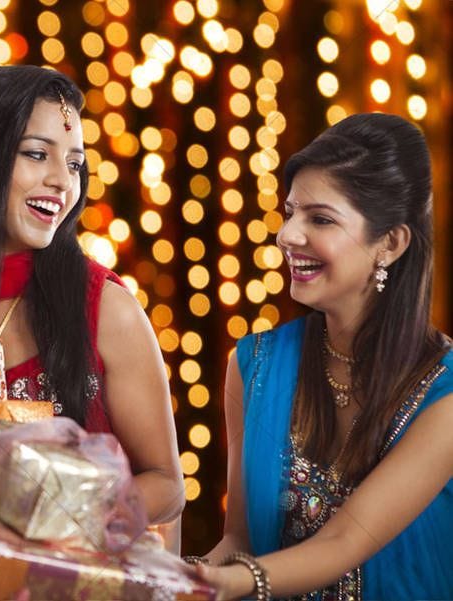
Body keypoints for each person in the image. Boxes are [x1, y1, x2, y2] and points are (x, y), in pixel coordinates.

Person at [0, 65, 184, 523]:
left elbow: (165, 484)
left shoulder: (103, 307)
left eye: (75, 163)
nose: (63, 180)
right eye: (37, 154)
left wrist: (45, 522)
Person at [192, 113, 453, 599]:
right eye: (290, 212)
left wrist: (230, 582)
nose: (287, 235)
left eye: (321, 219)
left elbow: (345, 540)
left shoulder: (445, 395)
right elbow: (239, 541)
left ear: (390, 243)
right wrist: (174, 578)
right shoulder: (254, 366)